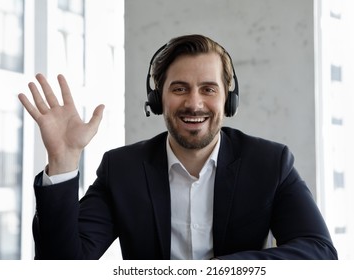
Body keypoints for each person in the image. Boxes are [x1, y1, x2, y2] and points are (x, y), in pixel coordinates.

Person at [18, 34, 337, 260]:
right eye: (179, 88)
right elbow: (61, 266)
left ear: (229, 99)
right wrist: (63, 159)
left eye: (208, 89)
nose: (194, 103)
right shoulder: (123, 169)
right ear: (158, 100)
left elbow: (319, 250)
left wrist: (220, 271)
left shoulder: (270, 162)